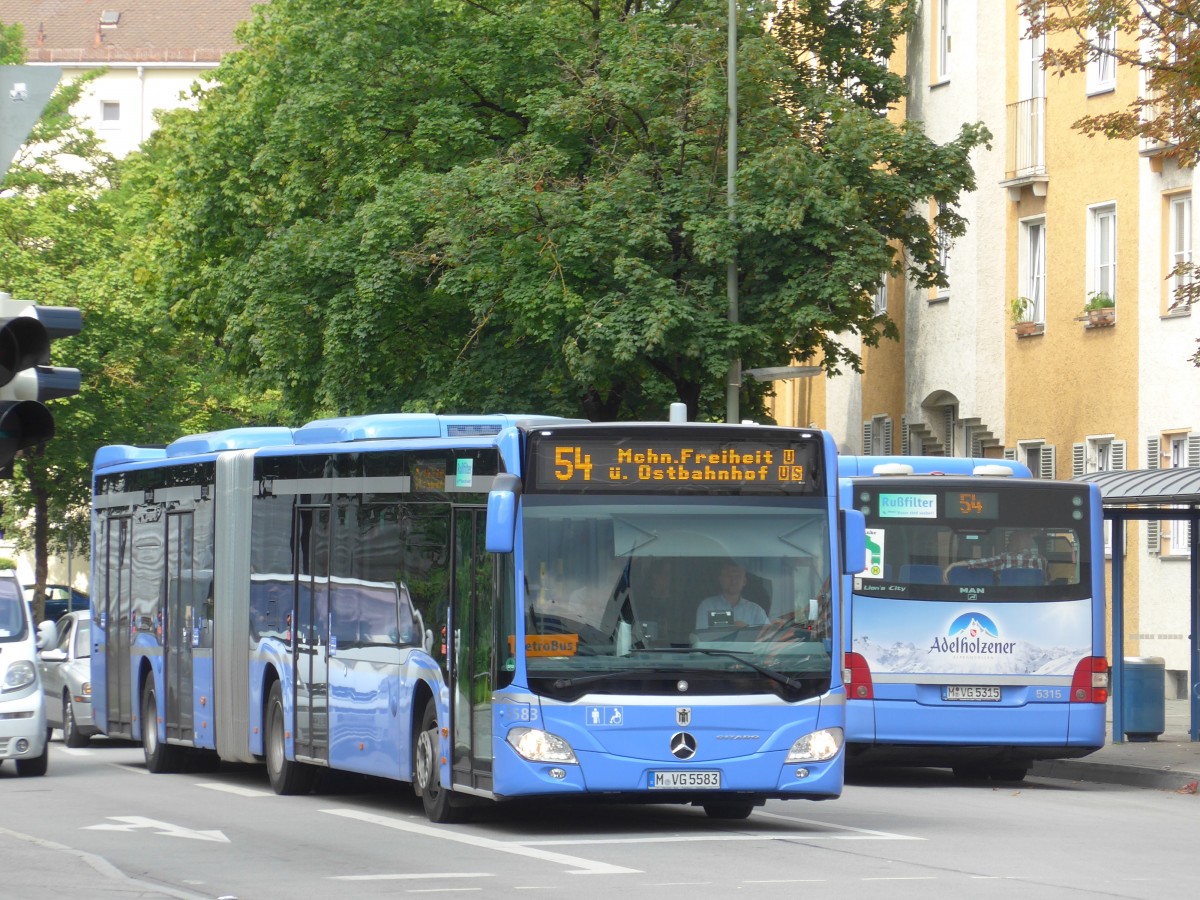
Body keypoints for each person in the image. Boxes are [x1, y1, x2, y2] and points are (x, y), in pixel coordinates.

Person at [694, 561, 769, 630]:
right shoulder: (707, 606)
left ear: (744, 581)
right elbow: (701, 639)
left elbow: (768, 638)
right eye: (728, 576)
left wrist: (747, 629)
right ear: (721, 579)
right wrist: (730, 628)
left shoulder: (756, 611)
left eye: (738, 576)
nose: (733, 580)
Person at [944, 529, 1047, 579]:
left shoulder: (1006, 557)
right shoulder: (1042, 560)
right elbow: (1046, 581)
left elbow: (981, 563)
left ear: (1017, 542)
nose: (1007, 544)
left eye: (1010, 541)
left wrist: (954, 565)